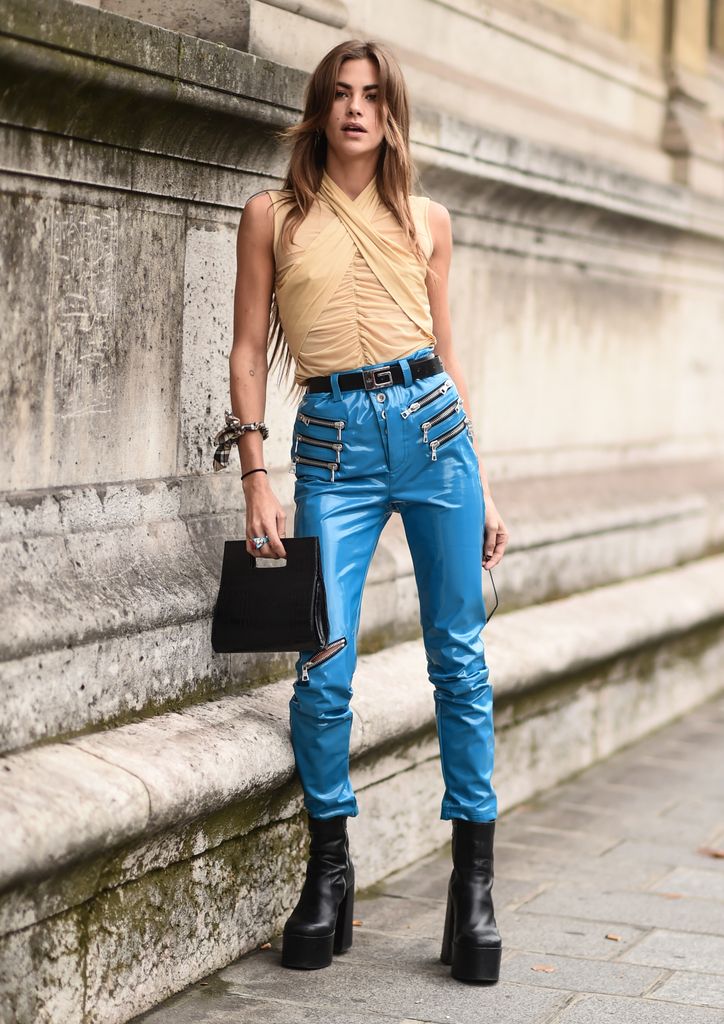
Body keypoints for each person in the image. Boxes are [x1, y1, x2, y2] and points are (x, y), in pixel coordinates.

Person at [227, 39, 510, 983]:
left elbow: (450, 351)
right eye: (340, 94)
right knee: (323, 665)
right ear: (319, 109)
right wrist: (255, 475)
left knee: (459, 659)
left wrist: (486, 485)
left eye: (372, 95)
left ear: (391, 114)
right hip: (332, 447)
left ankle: (473, 890)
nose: (355, 108)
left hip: (435, 434)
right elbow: (242, 350)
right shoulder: (271, 215)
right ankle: (329, 871)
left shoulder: (428, 219)